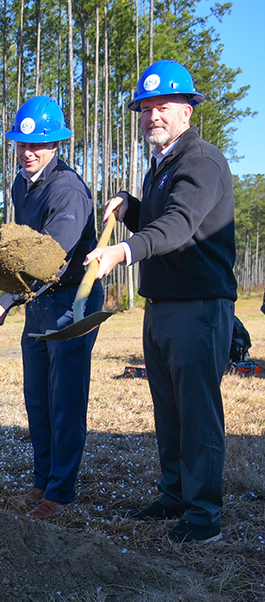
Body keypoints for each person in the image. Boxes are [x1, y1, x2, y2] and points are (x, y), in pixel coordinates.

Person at [85, 60, 236, 543]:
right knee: (168, 410)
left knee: (198, 412)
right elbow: (156, 219)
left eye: (163, 107)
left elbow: (177, 226)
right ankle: (175, 495)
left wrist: (123, 250)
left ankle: (203, 516)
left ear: (188, 111)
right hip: (163, 304)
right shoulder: (161, 165)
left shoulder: (201, 162)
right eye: (146, 109)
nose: (153, 116)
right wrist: (131, 205)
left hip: (199, 306)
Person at [0, 96, 101, 519]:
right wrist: (11, 298)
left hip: (71, 298)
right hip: (36, 299)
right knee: (37, 396)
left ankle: (60, 493)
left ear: (56, 146)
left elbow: (47, 258)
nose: (28, 152)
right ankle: (42, 479)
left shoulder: (67, 190)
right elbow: (21, 250)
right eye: (21, 144)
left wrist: (4, 301)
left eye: (39, 145)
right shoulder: (20, 183)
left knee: (64, 397)